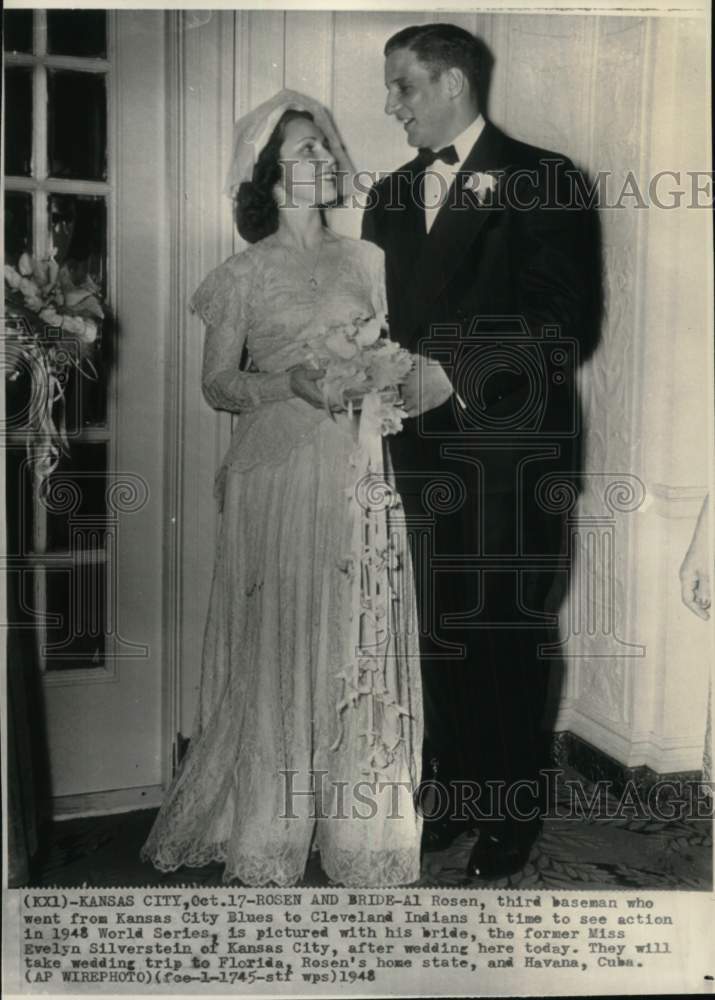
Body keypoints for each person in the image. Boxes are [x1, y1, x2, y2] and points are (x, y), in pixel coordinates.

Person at [141, 90, 423, 887]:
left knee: (352, 629)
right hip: (274, 469)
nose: (323, 161)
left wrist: (381, 381)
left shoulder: (367, 260)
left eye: (326, 149)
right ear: (267, 175)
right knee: (284, 632)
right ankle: (267, 823)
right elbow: (218, 386)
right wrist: (291, 384)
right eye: (305, 151)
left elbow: (390, 355)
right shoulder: (239, 274)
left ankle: (360, 828)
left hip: (356, 465)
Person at [362, 23, 595, 879]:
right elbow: (383, 323)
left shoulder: (545, 178)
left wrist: (449, 374)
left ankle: (511, 810)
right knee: (443, 630)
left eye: (403, 87)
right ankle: (455, 793)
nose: (390, 105)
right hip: (423, 454)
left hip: (511, 454)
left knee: (505, 628)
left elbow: (564, 322)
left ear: (452, 83)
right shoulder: (387, 196)